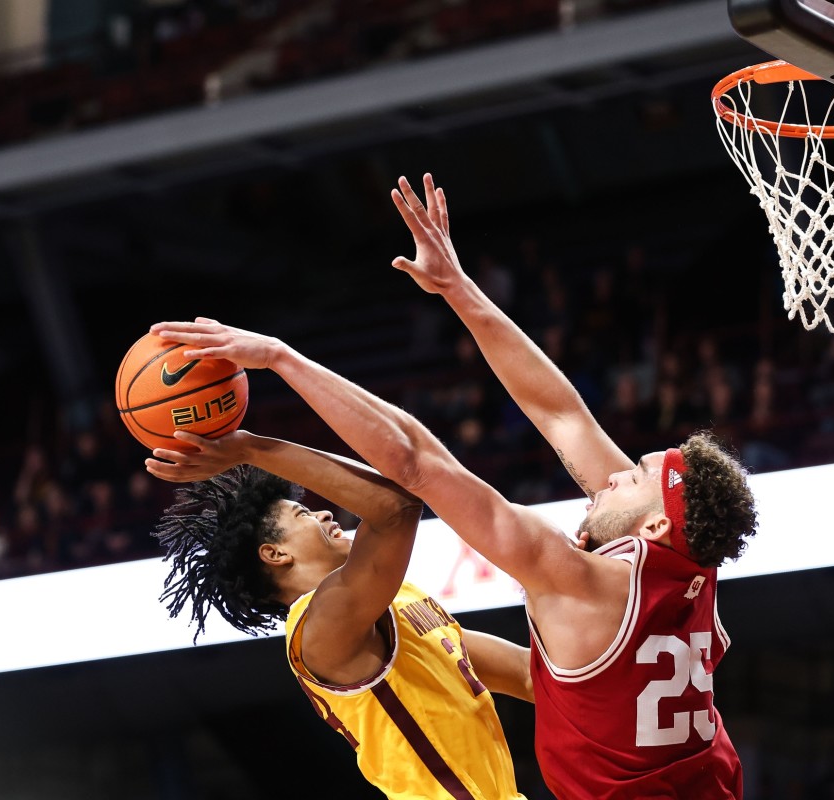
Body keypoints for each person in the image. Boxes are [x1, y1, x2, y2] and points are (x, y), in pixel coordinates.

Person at [149, 174, 759, 799]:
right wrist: (457, 288)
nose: (612, 476)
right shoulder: (691, 565)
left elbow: (414, 472)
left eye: (632, 478)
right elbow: (559, 416)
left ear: (654, 524)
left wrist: (280, 359)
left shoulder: (574, 577)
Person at [146, 429, 531, 800]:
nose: (326, 513)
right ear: (275, 554)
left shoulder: (398, 599)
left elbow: (529, 676)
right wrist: (253, 449)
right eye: (303, 514)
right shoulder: (319, 628)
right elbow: (396, 507)